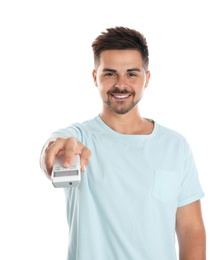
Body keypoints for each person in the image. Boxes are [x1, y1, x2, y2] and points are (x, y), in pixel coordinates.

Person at [40, 26, 206, 260]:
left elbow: (191, 229)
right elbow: (52, 149)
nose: (120, 84)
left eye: (131, 73)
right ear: (94, 77)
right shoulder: (79, 138)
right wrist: (56, 149)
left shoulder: (176, 146)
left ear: (146, 78)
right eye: (109, 73)